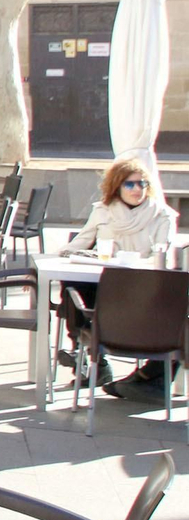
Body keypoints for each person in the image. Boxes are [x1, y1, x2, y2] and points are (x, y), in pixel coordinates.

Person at [58, 158, 179, 397]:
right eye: (130, 184)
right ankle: (93, 358)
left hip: (145, 290)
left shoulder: (162, 215)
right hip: (108, 290)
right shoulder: (103, 211)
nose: (138, 189)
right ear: (117, 186)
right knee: (72, 284)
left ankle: (148, 376)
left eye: (142, 184)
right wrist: (70, 255)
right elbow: (78, 243)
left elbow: (163, 255)